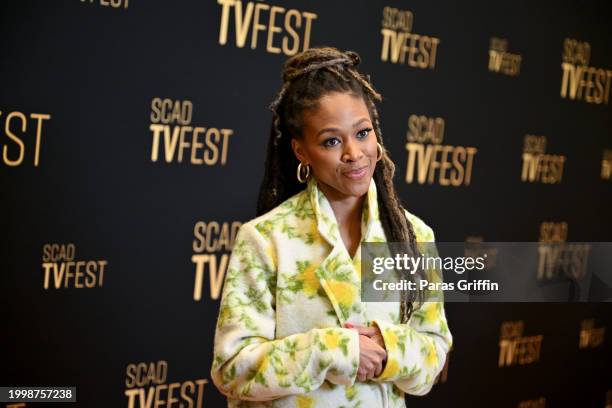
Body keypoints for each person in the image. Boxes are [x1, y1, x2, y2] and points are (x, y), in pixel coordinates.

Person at [211, 46, 452, 408]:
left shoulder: (413, 237)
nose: (354, 153)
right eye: (331, 141)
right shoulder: (266, 239)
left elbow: (433, 353)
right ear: (301, 151)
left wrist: (390, 350)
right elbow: (232, 370)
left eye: (363, 132)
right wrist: (335, 349)